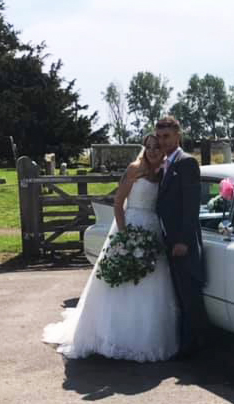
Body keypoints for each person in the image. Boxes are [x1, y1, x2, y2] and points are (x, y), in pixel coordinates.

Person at [42, 135, 179, 362]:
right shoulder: (135, 169)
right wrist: (124, 236)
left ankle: (145, 336)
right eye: (149, 147)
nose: (153, 151)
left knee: (152, 283)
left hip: (152, 229)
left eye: (157, 148)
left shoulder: (162, 172)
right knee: (122, 281)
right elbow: (118, 204)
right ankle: (113, 335)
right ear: (143, 149)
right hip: (131, 224)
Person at [154, 116, 208, 357]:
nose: (163, 141)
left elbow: (191, 207)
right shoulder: (165, 164)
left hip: (182, 244)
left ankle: (198, 350)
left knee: (190, 298)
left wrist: (183, 241)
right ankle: (188, 346)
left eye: (167, 136)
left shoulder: (187, 163)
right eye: (160, 137)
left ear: (178, 135)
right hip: (169, 241)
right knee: (180, 297)